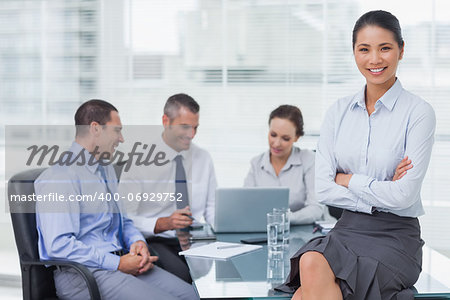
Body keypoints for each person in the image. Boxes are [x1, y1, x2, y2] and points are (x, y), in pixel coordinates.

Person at [278, 10, 436, 300]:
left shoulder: (418, 113)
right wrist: (381, 192)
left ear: (401, 50)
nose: (374, 59)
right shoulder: (337, 112)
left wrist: (348, 179)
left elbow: (404, 196)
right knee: (311, 260)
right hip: (348, 229)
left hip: (396, 236)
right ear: (354, 53)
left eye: (385, 48)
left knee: (304, 293)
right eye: (364, 49)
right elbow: (323, 189)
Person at [35, 99, 198, 300]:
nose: (121, 139)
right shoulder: (60, 177)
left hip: (120, 261)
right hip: (84, 275)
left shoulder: (106, 169)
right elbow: (58, 245)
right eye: (117, 131)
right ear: (95, 129)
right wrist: (117, 264)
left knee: (192, 295)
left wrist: (137, 241)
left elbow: (124, 221)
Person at [119, 93, 217, 283]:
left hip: (196, 239)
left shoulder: (203, 158)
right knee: (186, 278)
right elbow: (124, 217)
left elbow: (212, 207)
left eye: (195, 127)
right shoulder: (139, 160)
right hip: (157, 240)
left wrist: (223, 231)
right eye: (185, 127)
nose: (192, 134)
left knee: (224, 276)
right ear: (166, 121)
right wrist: (162, 223)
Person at [244, 105, 324, 224]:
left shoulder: (309, 160)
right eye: (273, 135)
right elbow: (245, 205)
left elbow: (316, 209)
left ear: (296, 137)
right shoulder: (256, 163)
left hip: (306, 232)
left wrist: (284, 219)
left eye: (285, 138)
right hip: (268, 232)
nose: (276, 144)